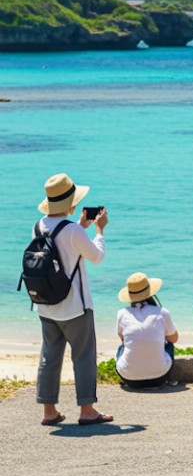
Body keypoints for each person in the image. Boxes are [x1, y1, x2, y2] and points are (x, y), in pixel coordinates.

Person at [32, 173, 112, 426]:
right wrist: (99, 230)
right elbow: (96, 256)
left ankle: (49, 411)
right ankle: (87, 410)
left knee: (49, 356)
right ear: (72, 204)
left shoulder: (37, 226)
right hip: (75, 305)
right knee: (83, 356)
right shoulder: (73, 230)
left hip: (46, 304)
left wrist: (80, 228)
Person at [115, 272, 179, 389]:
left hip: (129, 378)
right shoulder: (162, 312)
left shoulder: (122, 314)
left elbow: (123, 340)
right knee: (169, 345)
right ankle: (166, 377)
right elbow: (174, 339)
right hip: (160, 377)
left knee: (122, 347)